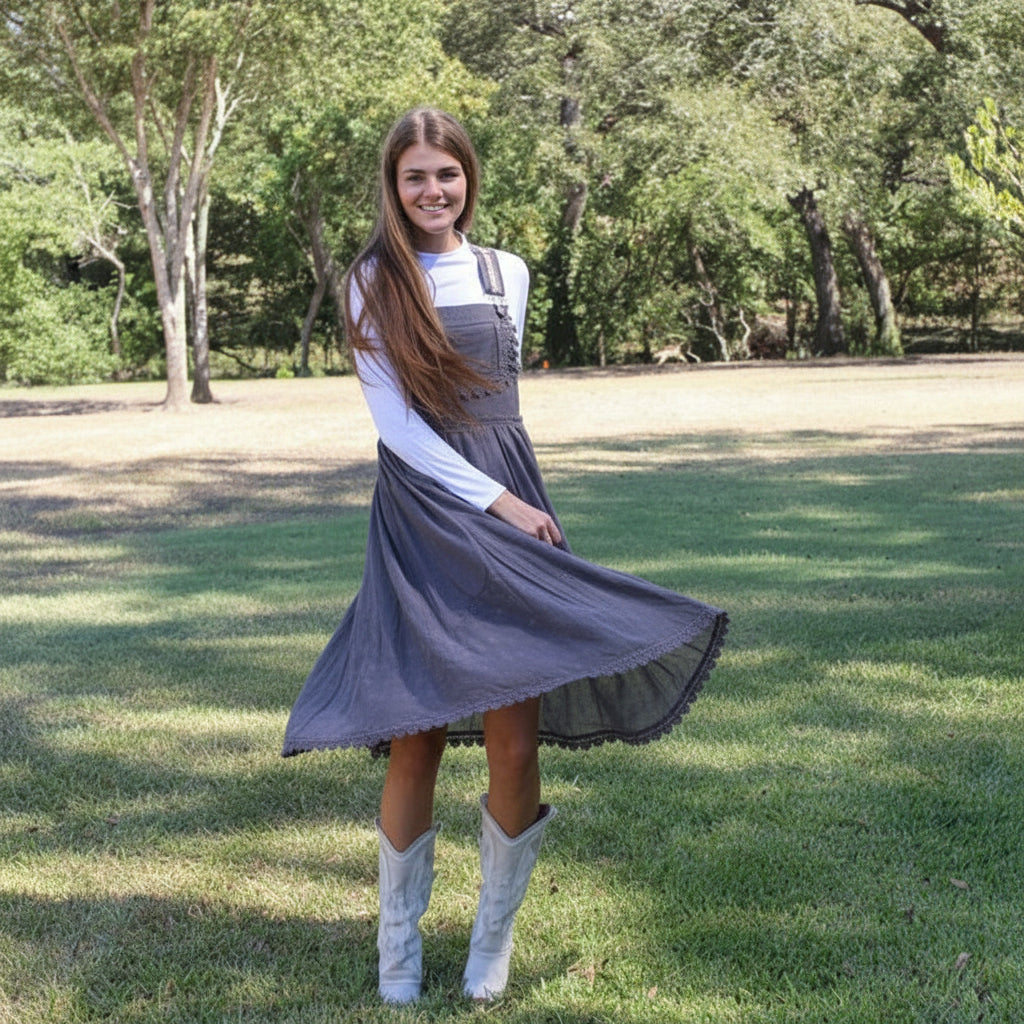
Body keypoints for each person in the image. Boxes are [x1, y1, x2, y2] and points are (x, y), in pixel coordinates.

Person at [282, 107, 728, 1005]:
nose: (432, 191)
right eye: (414, 177)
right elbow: (398, 429)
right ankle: (397, 950)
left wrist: (514, 501)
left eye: (445, 174)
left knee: (514, 747)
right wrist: (501, 503)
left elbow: (501, 407)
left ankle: (493, 940)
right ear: (393, 185)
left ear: (467, 178)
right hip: (425, 518)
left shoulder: (505, 274)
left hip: (510, 501)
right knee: (414, 743)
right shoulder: (372, 279)